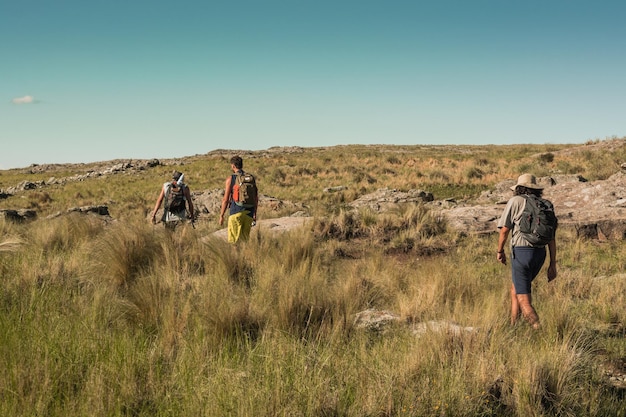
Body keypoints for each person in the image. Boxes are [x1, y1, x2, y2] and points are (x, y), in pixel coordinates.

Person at [496, 173, 557, 329]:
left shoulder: (515, 201)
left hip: (522, 253)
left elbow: (504, 230)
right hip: (540, 254)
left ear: (519, 188)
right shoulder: (545, 204)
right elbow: (551, 237)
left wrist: (500, 251)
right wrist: (552, 264)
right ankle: (513, 326)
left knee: (524, 300)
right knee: (516, 288)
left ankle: (540, 331)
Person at [219, 156, 258, 243]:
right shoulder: (250, 178)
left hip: (236, 212)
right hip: (249, 213)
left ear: (233, 166)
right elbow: (255, 198)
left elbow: (226, 199)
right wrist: (255, 213)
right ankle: (244, 256)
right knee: (244, 241)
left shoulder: (231, 179)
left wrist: (221, 215)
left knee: (234, 243)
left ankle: (235, 257)